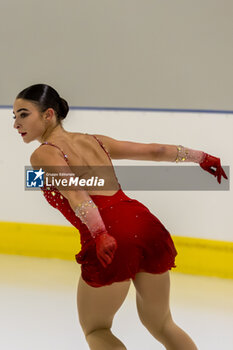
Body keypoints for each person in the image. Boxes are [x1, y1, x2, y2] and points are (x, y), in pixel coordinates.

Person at [13, 84, 227, 350]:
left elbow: (78, 195)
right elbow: (155, 151)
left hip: (111, 233)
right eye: (14, 116)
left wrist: (101, 233)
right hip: (146, 224)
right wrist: (203, 157)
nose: (16, 124)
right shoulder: (95, 140)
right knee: (161, 323)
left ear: (48, 115)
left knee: (96, 328)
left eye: (23, 114)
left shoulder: (43, 153)